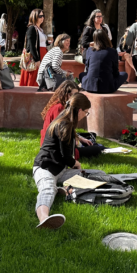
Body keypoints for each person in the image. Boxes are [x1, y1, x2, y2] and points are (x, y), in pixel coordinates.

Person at [32, 93, 91, 229]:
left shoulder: (67, 122)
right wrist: (76, 164)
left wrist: (77, 168)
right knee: (47, 189)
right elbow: (66, 157)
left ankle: (59, 188)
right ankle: (44, 219)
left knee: (86, 174)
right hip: (45, 168)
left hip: (60, 169)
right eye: (86, 113)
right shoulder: (63, 125)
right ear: (80, 110)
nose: (85, 116)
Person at [40, 81, 103, 158]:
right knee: (96, 149)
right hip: (56, 148)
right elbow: (61, 135)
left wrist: (80, 139)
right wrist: (76, 143)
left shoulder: (63, 105)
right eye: (71, 95)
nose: (73, 97)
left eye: (76, 95)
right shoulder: (59, 108)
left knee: (91, 135)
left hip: (58, 145)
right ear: (64, 94)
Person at [79, 29, 127, 93]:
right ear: (106, 38)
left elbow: (88, 68)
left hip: (90, 86)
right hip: (107, 87)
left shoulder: (89, 50)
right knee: (124, 74)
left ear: (94, 39)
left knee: (81, 74)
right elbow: (115, 71)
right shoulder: (112, 51)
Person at [20, 9, 48, 87]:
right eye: (40, 16)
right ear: (34, 16)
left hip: (43, 53)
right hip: (36, 55)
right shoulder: (32, 28)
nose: (42, 18)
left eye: (43, 16)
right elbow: (31, 46)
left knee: (40, 76)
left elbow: (41, 43)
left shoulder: (41, 29)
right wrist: (37, 59)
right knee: (34, 77)